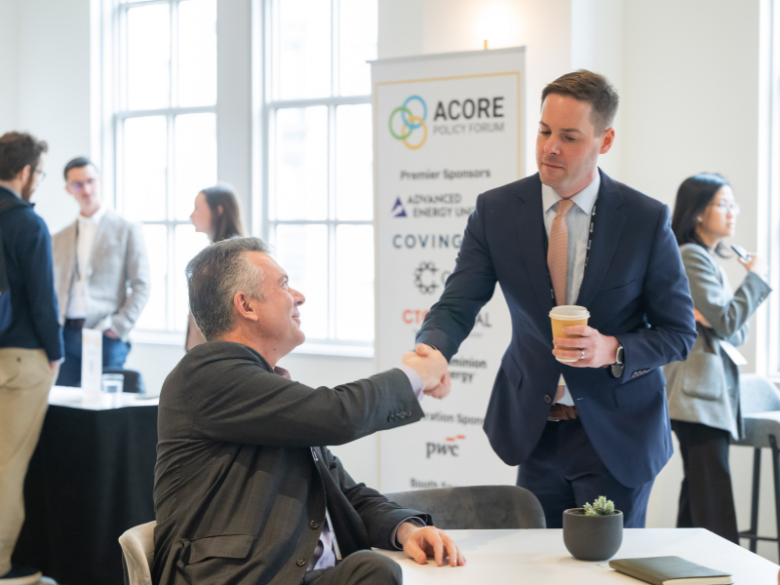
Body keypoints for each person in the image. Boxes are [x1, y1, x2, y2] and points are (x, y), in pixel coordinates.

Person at [415, 70, 697, 528]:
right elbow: (457, 303)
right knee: (536, 561)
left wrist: (613, 348)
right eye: (545, 131)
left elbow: (679, 333)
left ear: (605, 140)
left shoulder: (645, 220)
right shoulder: (496, 211)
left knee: (606, 566)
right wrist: (432, 350)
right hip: (535, 429)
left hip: (617, 435)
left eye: (569, 137)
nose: (550, 147)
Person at [153, 236, 463, 585]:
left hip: (293, 576)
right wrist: (415, 376)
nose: (298, 296)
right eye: (284, 284)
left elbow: (345, 492)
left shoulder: (267, 392)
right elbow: (338, 414)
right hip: (234, 578)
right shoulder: (208, 373)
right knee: (375, 571)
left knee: (373, 570)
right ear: (246, 305)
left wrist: (406, 530)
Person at [665, 173, 771, 543]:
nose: (732, 212)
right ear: (697, 212)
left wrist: (721, 319)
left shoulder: (708, 260)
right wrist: (756, 278)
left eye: (732, 204)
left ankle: (682, 564)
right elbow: (728, 322)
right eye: (723, 204)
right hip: (698, 398)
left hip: (708, 397)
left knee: (698, 498)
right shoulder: (691, 255)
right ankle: (726, 570)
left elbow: (734, 331)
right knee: (714, 502)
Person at [0, 131, 62, 585]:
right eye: (39, 173)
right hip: (22, 359)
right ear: (24, 171)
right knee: (8, 466)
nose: (37, 181)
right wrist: (55, 355)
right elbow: (44, 301)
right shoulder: (27, 223)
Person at [51, 157, 151, 386]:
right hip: (66, 334)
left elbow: (142, 284)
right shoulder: (58, 238)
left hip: (106, 333)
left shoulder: (127, 229)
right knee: (64, 403)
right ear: (68, 189)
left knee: (106, 404)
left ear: (101, 181)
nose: (86, 189)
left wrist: (119, 325)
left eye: (90, 181)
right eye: (77, 184)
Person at [185, 184, 244, 350]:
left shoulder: (232, 254)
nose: (191, 215)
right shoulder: (214, 253)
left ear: (218, 210)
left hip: (217, 350)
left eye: (197, 208)